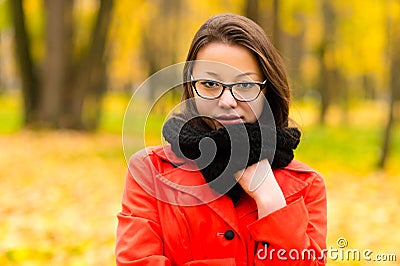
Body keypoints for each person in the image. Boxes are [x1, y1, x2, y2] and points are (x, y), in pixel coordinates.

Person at [116, 13, 327, 265]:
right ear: (191, 87)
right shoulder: (150, 172)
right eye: (209, 84)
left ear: (267, 90)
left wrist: (272, 204)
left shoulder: (307, 186)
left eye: (245, 86)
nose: (227, 101)